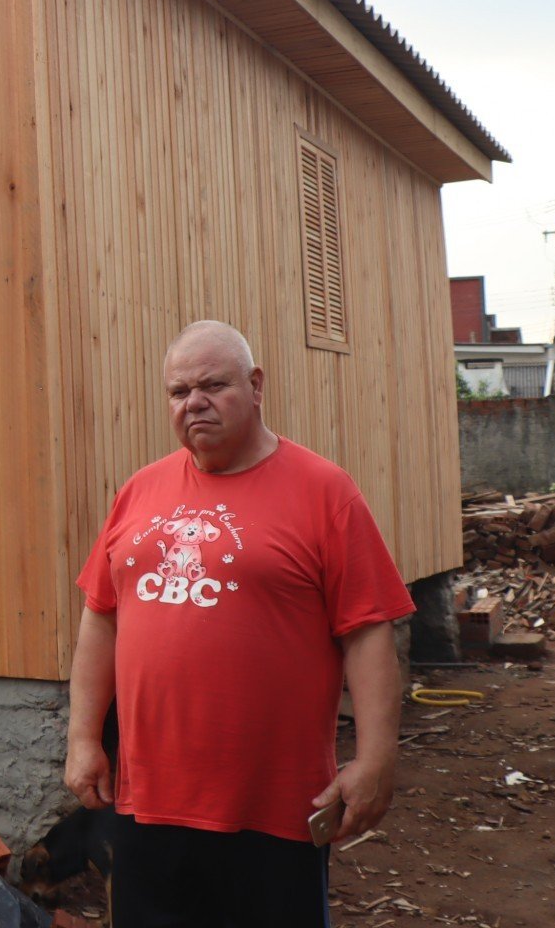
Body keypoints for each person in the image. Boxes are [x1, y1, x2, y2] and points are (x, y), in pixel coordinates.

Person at [64, 320, 416, 927]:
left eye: (212, 384)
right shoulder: (139, 491)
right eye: (178, 392)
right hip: (148, 800)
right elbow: (101, 618)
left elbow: (367, 630)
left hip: (273, 807)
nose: (193, 402)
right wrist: (83, 738)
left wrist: (376, 757)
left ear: (256, 386)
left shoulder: (324, 492)